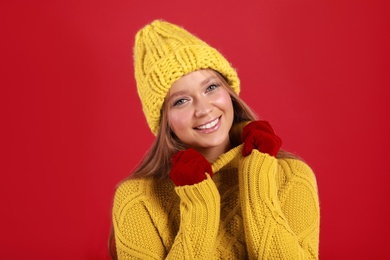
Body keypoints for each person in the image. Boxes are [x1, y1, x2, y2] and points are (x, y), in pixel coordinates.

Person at [110, 19, 320, 259]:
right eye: (181, 101)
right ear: (164, 120)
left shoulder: (290, 175)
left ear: (228, 92)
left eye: (210, 88)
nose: (204, 109)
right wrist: (199, 208)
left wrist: (257, 180)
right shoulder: (139, 198)